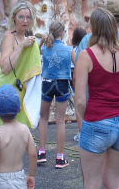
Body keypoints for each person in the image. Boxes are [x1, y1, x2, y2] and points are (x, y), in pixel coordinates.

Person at [74, 8, 119, 189]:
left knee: (92, 182)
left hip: (97, 121)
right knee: (113, 181)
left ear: (94, 28)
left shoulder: (86, 56)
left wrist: (82, 123)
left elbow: (80, 100)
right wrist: (117, 83)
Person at [0, 1, 43, 128]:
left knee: (20, 134)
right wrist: (21, 46)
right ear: (14, 18)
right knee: (9, 134)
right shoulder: (9, 37)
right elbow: (5, 68)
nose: (25, 20)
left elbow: (27, 60)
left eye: (28, 17)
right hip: (6, 93)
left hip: (20, 92)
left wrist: (39, 44)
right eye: (21, 17)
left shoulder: (26, 37)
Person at [0, 84, 38, 189]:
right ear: (19, 109)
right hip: (19, 178)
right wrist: (31, 175)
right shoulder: (25, 129)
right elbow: (33, 154)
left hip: (1, 181)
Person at [36, 21, 72, 169]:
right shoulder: (69, 50)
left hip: (47, 83)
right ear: (63, 32)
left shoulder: (45, 48)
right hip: (62, 84)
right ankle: (60, 157)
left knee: (43, 118)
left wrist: (43, 39)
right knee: (60, 120)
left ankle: (42, 153)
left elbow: (36, 50)